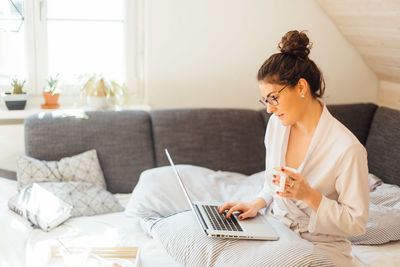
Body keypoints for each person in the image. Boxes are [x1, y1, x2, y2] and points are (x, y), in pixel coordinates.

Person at [218, 30, 369, 266]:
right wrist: (257, 203)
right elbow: (273, 183)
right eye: (265, 100)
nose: (269, 109)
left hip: (321, 246)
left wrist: (310, 196)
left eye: (273, 98)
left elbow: (356, 223)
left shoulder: (347, 149)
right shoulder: (277, 127)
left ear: (301, 88)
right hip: (277, 230)